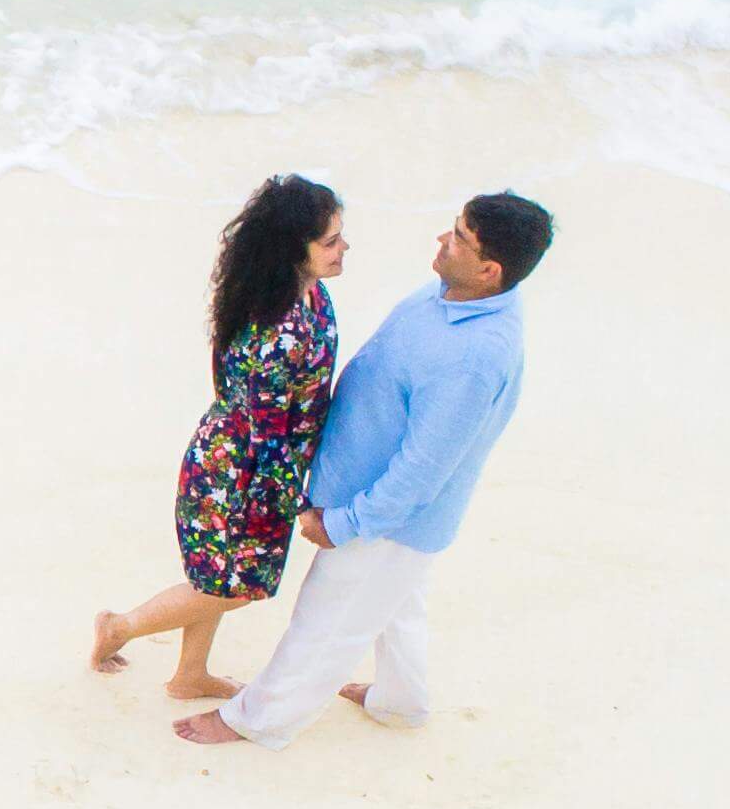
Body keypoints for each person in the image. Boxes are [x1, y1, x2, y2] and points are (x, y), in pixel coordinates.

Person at [175, 191, 550, 750]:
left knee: (327, 622)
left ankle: (257, 720)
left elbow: (423, 469)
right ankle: (402, 702)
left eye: (459, 238)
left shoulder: (477, 356)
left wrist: (346, 522)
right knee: (397, 608)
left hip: (383, 517)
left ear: (489, 269)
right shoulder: (449, 294)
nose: (443, 240)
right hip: (367, 497)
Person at [94, 175, 345, 701]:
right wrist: (295, 500)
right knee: (234, 588)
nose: (343, 248)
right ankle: (122, 626)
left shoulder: (303, 293)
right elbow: (268, 431)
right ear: (292, 250)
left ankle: (189, 675)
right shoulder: (279, 330)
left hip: (233, 455)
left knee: (219, 577)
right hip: (244, 473)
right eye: (330, 241)